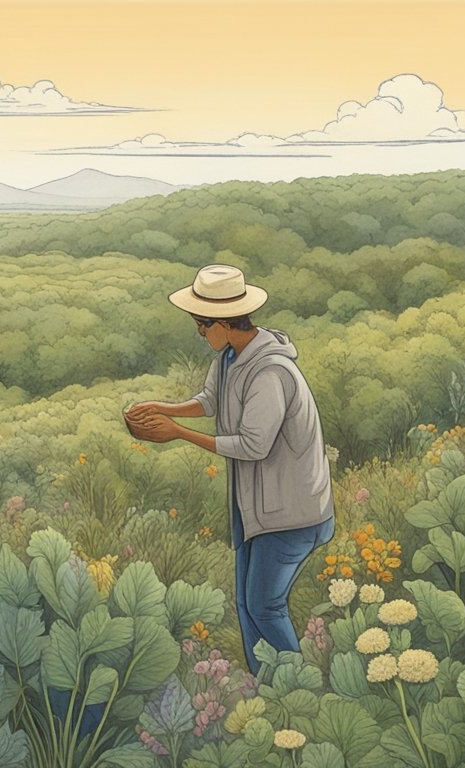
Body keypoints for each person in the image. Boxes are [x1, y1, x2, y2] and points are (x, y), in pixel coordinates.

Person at [126, 264, 335, 675]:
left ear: (224, 322)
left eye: (203, 325)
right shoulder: (230, 358)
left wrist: (177, 433)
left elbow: (254, 446)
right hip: (257, 509)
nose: (200, 333)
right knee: (246, 604)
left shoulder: (270, 371)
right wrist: (163, 408)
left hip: (292, 513)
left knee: (265, 606)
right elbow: (211, 399)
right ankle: (269, 688)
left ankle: (297, 689)